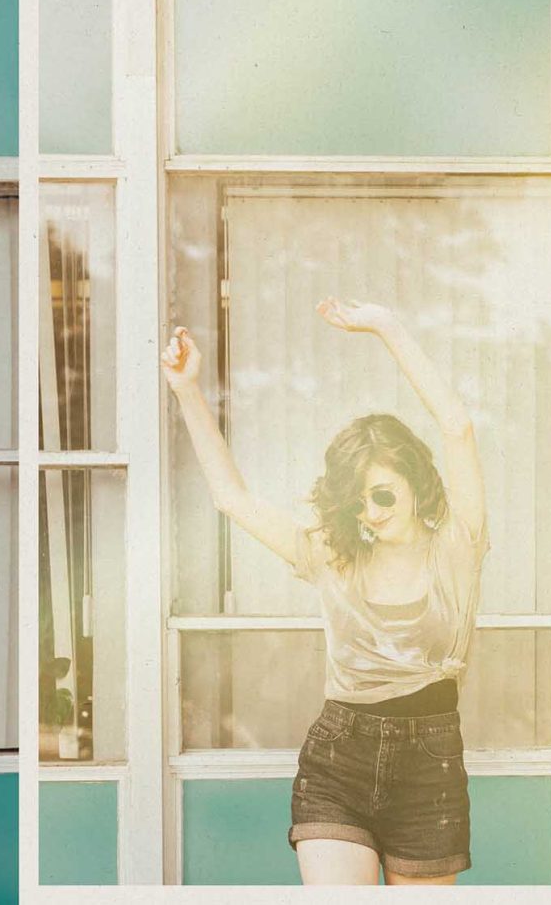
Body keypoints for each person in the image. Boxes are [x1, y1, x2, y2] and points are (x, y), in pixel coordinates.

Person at [161, 297, 488, 886]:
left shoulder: (457, 548)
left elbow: (456, 427)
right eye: (358, 501)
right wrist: (186, 390)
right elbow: (232, 499)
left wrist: (388, 325)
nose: (372, 512)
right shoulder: (333, 557)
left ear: (413, 483)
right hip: (340, 757)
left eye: (383, 494)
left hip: (431, 765)